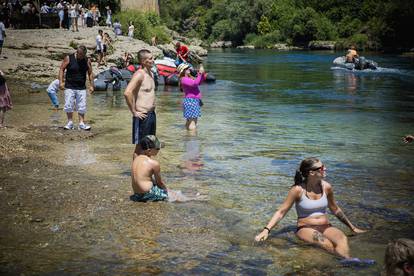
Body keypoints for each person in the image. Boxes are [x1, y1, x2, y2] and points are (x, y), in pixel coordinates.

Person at [254, 157, 374, 265]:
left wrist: (352, 228)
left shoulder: (327, 187)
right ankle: (348, 261)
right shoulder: (297, 190)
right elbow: (281, 212)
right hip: (306, 228)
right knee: (325, 243)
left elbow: (335, 209)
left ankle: (348, 260)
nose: (325, 168)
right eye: (321, 168)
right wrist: (266, 230)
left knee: (342, 239)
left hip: (326, 226)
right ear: (311, 172)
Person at [124, 49, 156, 159]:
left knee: (149, 147)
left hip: (151, 114)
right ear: (143, 61)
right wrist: (134, 112)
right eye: (150, 59)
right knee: (140, 148)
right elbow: (127, 93)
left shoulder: (151, 73)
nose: (153, 60)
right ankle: (136, 174)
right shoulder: (139, 74)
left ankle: (145, 173)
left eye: (153, 58)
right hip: (142, 116)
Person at [59, 45, 94, 130]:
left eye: (82, 55)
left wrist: (92, 85)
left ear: (85, 54)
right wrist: (61, 82)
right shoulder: (69, 58)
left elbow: (90, 73)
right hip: (69, 86)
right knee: (68, 104)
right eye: (80, 54)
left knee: (82, 106)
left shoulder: (87, 60)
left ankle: (81, 123)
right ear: (77, 52)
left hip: (81, 87)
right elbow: (61, 69)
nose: (81, 57)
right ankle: (70, 122)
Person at [129, 135, 168, 202]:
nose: (159, 150)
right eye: (158, 148)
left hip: (136, 194)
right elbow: (160, 183)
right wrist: (167, 191)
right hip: (147, 193)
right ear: (149, 151)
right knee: (171, 195)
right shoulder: (154, 163)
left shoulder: (136, 159)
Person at [178, 63, 206, 131]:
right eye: (188, 68)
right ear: (184, 71)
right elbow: (195, 83)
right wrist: (199, 73)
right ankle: (192, 139)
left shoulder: (189, 78)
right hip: (191, 101)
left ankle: (188, 137)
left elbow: (199, 82)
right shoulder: (184, 79)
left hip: (193, 101)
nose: (190, 69)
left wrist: (202, 73)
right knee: (193, 122)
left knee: (190, 121)